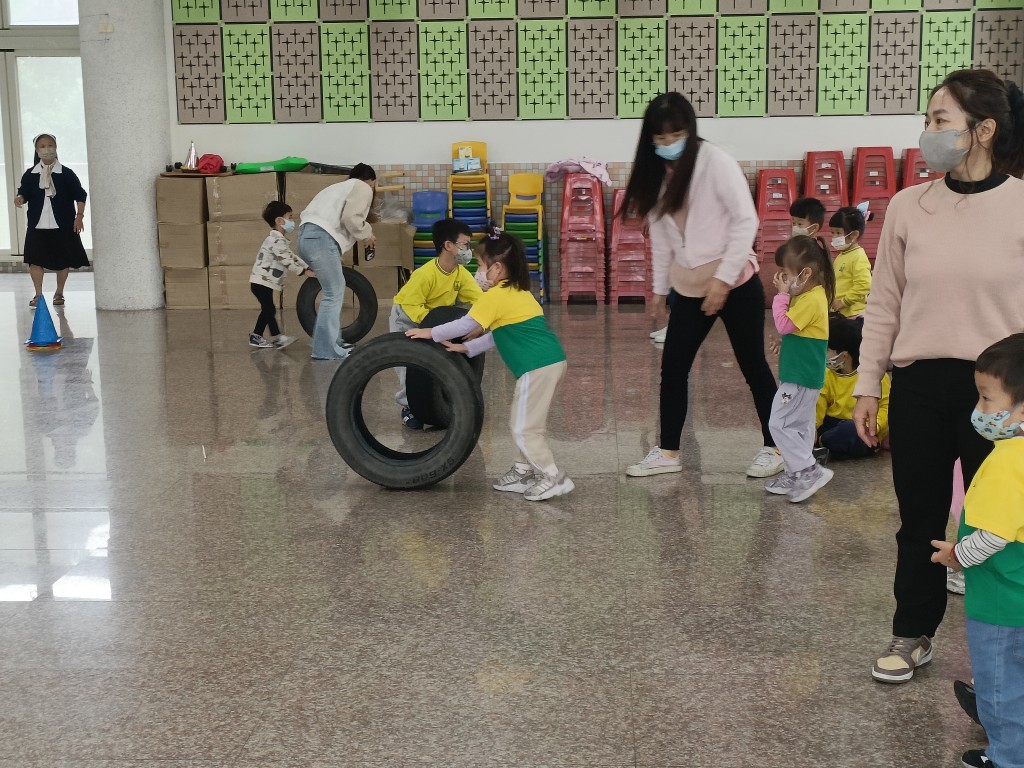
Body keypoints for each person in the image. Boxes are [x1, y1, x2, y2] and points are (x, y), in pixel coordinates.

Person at [851, 68, 1024, 684]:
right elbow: (884, 304)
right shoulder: (908, 206)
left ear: (983, 129)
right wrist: (867, 383)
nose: (928, 131)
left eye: (940, 119)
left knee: (996, 525)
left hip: (1000, 395)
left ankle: (1000, 656)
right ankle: (913, 632)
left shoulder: (1020, 204)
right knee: (919, 519)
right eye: (927, 119)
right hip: (920, 385)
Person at [619, 92, 781, 479]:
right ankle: (668, 453)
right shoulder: (654, 174)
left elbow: (746, 221)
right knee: (673, 368)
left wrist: (723, 281)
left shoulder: (715, 162)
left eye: (675, 136)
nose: (668, 144)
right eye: (660, 139)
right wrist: (660, 289)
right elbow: (661, 239)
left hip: (736, 283)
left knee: (753, 366)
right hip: (689, 287)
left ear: (690, 131)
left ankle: (776, 447)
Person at [406, 232, 572, 502]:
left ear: (497, 268)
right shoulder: (519, 293)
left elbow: (464, 324)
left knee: (523, 427)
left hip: (537, 367)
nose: (478, 272)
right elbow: (499, 335)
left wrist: (430, 332)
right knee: (525, 420)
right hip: (548, 363)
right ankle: (522, 471)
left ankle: (553, 477)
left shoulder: (496, 296)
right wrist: (468, 348)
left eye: (481, 266)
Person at [930, 333, 1024, 768]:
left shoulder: (1007, 462)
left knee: (1001, 690)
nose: (979, 409)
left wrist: (956, 556)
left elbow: (992, 536)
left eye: (987, 398)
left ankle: (1008, 760)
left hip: (1002, 603)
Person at [389, 218, 482, 429]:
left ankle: (438, 404)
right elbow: (412, 306)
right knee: (408, 366)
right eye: (465, 244)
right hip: (406, 318)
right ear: (448, 245)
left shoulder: (460, 274)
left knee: (435, 362)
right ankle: (407, 406)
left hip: (434, 321)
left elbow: (480, 300)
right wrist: (436, 330)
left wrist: (481, 323)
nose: (468, 250)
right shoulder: (425, 274)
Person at [763, 236, 835, 502]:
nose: (782, 279)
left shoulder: (810, 300)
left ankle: (808, 470)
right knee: (801, 426)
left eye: (786, 274)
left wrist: (781, 295)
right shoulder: (809, 296)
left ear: (805, 273)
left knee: (779, 422)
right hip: (803, 374)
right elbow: (799, 331)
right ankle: (796, 474)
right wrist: (787, 343)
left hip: (800, 378)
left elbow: (784, 324)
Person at [296, 163, 377, 360]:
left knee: (334, 290)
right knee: (333, 293)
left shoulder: (336, 188)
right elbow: (351, 218)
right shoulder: (363, 187)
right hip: (320, 239)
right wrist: (367, 234)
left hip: (305, 238)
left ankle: (333, 343)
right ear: (372, 182)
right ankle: (324, 350)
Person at [14, 133, 88, 308]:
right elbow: (24, 192)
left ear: (55, 147)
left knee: (63, 260)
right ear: (36, 150)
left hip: (62, 224)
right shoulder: (30, 174)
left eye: (50, 145)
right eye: (42, 146)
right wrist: (20, 198)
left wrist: (79, 217)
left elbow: (80, 195)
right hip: (37, 224)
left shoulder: (67, 174)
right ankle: (38, 295)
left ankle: (59, 292)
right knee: (35, 260)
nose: (47, 149)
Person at [814, 313, 890, 463]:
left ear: (844, 356)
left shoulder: (874, 376)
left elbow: (885, 407)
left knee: (851, 431)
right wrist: (811, 428)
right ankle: (827, 446)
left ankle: (828, 447)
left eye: (827, 350)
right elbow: (818, 406)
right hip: (831, 424)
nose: (823, 354)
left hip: (863, 427)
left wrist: (873, 426)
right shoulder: (826, 374)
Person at [249, 201, 314, 350]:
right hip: (260, 282)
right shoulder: (275, 240)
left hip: (263, 282)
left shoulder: (280, 240)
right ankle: (278, 338)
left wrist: (306, 266)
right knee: (269, 309)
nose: (292, 221)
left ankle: (256, 336)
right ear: (280, 221)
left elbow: (291, 256)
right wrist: (303, 271)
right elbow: (286, 260)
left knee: (267, 310)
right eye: (290, 217)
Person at [828, 206, 873, 319]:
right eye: (833, 233)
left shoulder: (858, 256)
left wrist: (844, 302)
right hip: (840, 314)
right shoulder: (842, 255)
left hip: (852, 316)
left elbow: (864, 285)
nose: (834, 237)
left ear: (854, 235)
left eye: (838, 233)